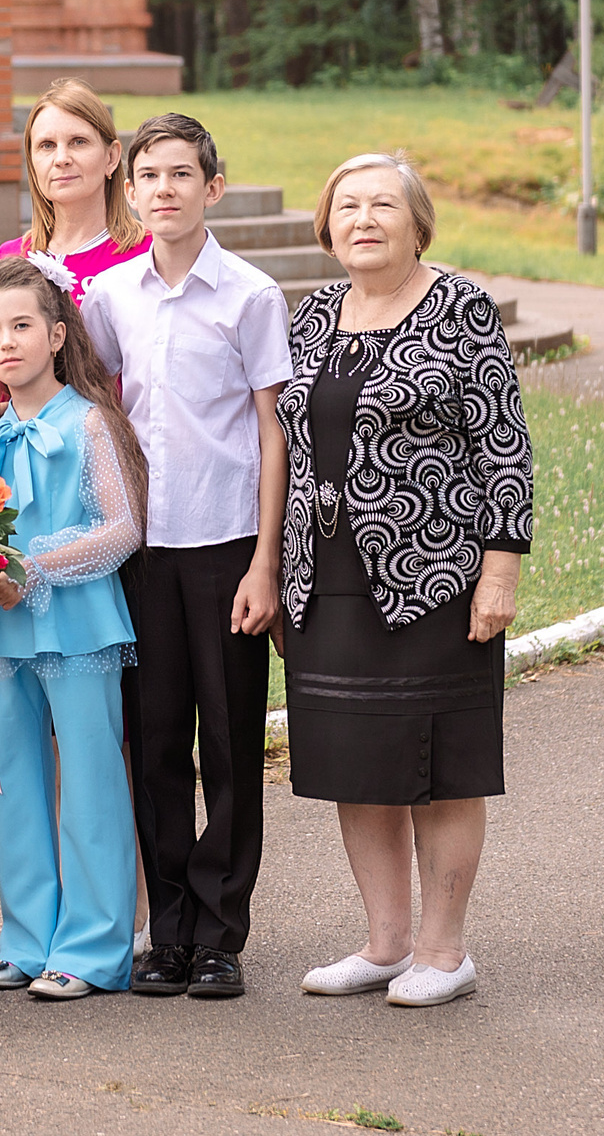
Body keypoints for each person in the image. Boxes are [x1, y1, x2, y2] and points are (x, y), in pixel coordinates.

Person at [275, 152, 532, 1009]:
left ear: (418, 221)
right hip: (327, 578)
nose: (363, 218)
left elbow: (502, 439)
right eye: (346, 204)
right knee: (358, 760)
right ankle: (386, 942)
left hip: (436, 576)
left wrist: (501, 565)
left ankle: (443, 949)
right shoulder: (312, 315)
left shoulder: (460, 306)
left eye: (383, 203)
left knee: (444, 764)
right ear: (327, 225)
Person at [81, 113, 292, 1000]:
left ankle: (220, 934)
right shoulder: (112, 298)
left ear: (213, 187)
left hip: (228, 548)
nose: (162, 189)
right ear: (129, 193)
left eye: (180, 174)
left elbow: (273, 433)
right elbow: (89, 409)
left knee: (232, 742)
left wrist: (265, 565)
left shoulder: (249, 295)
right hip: (143, 552)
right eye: (147, 176)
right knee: (157, 741)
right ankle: (167, 932)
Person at [0, 253, 148, 1000]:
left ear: (56, 332)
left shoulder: (90, 423)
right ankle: (27, 938)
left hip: (81, 626)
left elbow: (121, 528)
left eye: (21, 326)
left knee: (94, 782)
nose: (6, 342)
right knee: (18, 785)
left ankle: (95, 946)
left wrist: (33, 565)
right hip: (6, 633)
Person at [0, 78, 150, 299]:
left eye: (78, 142)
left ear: (111, 157)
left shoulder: (150, 255)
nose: (61, 159)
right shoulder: (10, 258)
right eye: (47, 146)